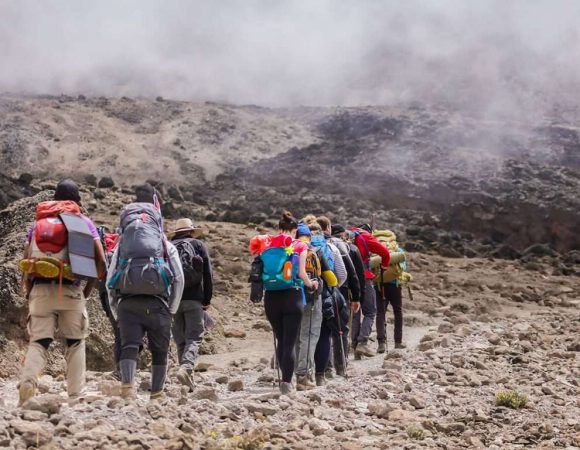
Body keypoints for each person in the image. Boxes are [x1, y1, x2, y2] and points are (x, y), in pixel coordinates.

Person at [18, 179, 106, 405]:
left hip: (39, 290)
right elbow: (101, 263)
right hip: (71, 291)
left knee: (39, 341)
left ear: (54, 198)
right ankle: (76, 395)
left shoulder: (37, 225)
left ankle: (28, 382)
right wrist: (86, 292)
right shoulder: (83, 222)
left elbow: (27, 259)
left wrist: (29, 292)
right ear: (76, 201)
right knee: (75, 342)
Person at [107, 185, 184, 401]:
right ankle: (157, 393)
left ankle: (127, 389)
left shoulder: (123, 244)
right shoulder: (163, 244)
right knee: (160, 349)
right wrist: (172, 309)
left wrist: (116, 310)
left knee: (129, 345)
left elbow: (109, 279)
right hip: (158, 303)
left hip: (127, 303)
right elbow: (178, 277)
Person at [260, 211, 318, 395]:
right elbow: (301, 273)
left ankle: (283, 379)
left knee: (280, 338)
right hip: (292, 296)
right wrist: (312, 284)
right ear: (294, 230)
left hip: (271, 297)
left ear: (278, 228)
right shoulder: (299, 245)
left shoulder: (266, 244)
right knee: (290, 342)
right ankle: (286, 383)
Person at [170, 218, 213, 391]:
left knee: (180, 340)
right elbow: (207, 274)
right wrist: (207, 299)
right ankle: (186, 368)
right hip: (193, 299)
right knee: (194, 337)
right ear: (191, 231)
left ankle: (187, 382)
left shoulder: (168, 246)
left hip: (173, 300)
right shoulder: (198, 245)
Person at [317, 216, 361, 376]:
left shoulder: (307, 245)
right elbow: (348, 273)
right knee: (340, 330)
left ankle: (325, 368)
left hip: (313, 293)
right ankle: (341, 367)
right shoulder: (336, 246)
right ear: (327, 227)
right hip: (336, 293)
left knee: (322, 331)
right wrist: (353, 295)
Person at [348, 223, 390, 359]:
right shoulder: (366, 237)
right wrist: (384, 266)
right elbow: (385, 252)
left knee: (355, 312)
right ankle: (362, 343)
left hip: (348, 278)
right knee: (371, 312)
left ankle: (354, 346)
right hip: (364, 278)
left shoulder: (347, 235)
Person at [371, 230, 410, 352]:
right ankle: (398, 342)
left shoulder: (375, 248)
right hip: (394, 285)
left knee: (380, 313)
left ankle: (381, 343)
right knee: (397, 312)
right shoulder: (396, 249)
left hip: (379, 285)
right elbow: (403, 267)